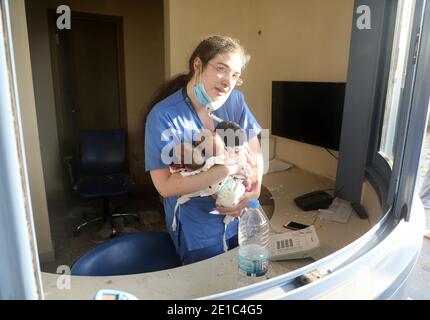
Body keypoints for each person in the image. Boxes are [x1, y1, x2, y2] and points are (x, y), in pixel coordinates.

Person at [144, 35, 263, 264]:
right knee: (207, 289)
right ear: (197, 65)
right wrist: (229, 168)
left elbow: (256, 152)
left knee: (242, 280)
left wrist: (253, 193)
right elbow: (165, 186)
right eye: (221, 69)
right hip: (197, 231)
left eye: (235, 75)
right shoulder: (163, 116)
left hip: (240, 219)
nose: (228, 81)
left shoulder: (235, 102)